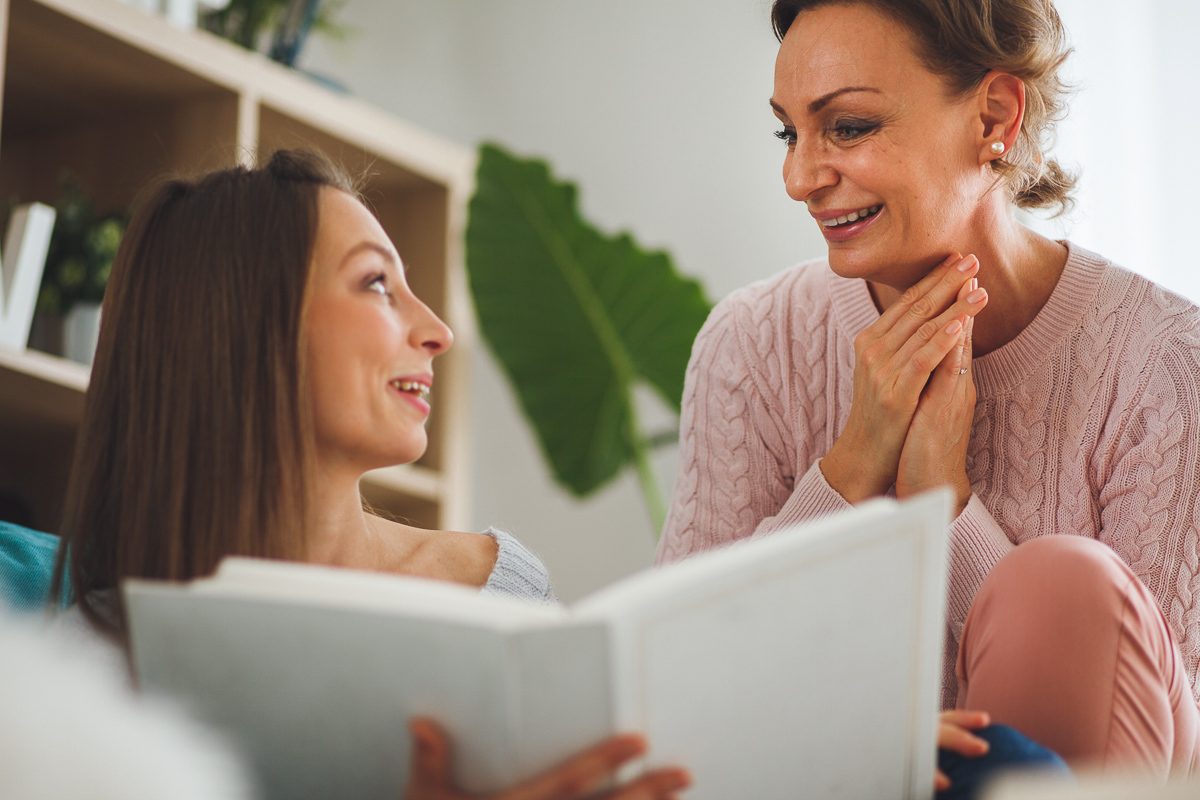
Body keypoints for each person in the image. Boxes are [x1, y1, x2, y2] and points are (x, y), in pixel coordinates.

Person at [658, 0, 1200, 784]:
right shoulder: (752, 342)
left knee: (1059, 585)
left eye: (847, 127)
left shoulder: (1167, 361)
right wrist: (851, 469)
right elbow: (672, 674)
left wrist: (944, 506)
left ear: (992, 116)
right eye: (789, 132)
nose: (799, 178)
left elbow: (1160, 736)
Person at [51, 150, 690, 800]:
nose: (437, 330)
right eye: (377, 283)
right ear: (245, 322)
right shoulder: (90, 668)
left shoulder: (502, 598)